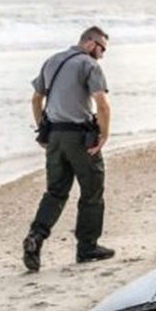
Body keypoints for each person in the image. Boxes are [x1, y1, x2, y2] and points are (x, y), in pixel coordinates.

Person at [23, 26, 115, 272]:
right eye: (102, 48)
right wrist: (104, 135)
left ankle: (35, 237)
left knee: (55, 192)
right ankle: (87, 248)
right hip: (79, 138)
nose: (102, 54)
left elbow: (35, 99)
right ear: (90, 42)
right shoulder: (89, 65)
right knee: (92, 190)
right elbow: (102, 104)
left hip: (54, 136)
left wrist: (42, 127)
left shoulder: (52, 61)